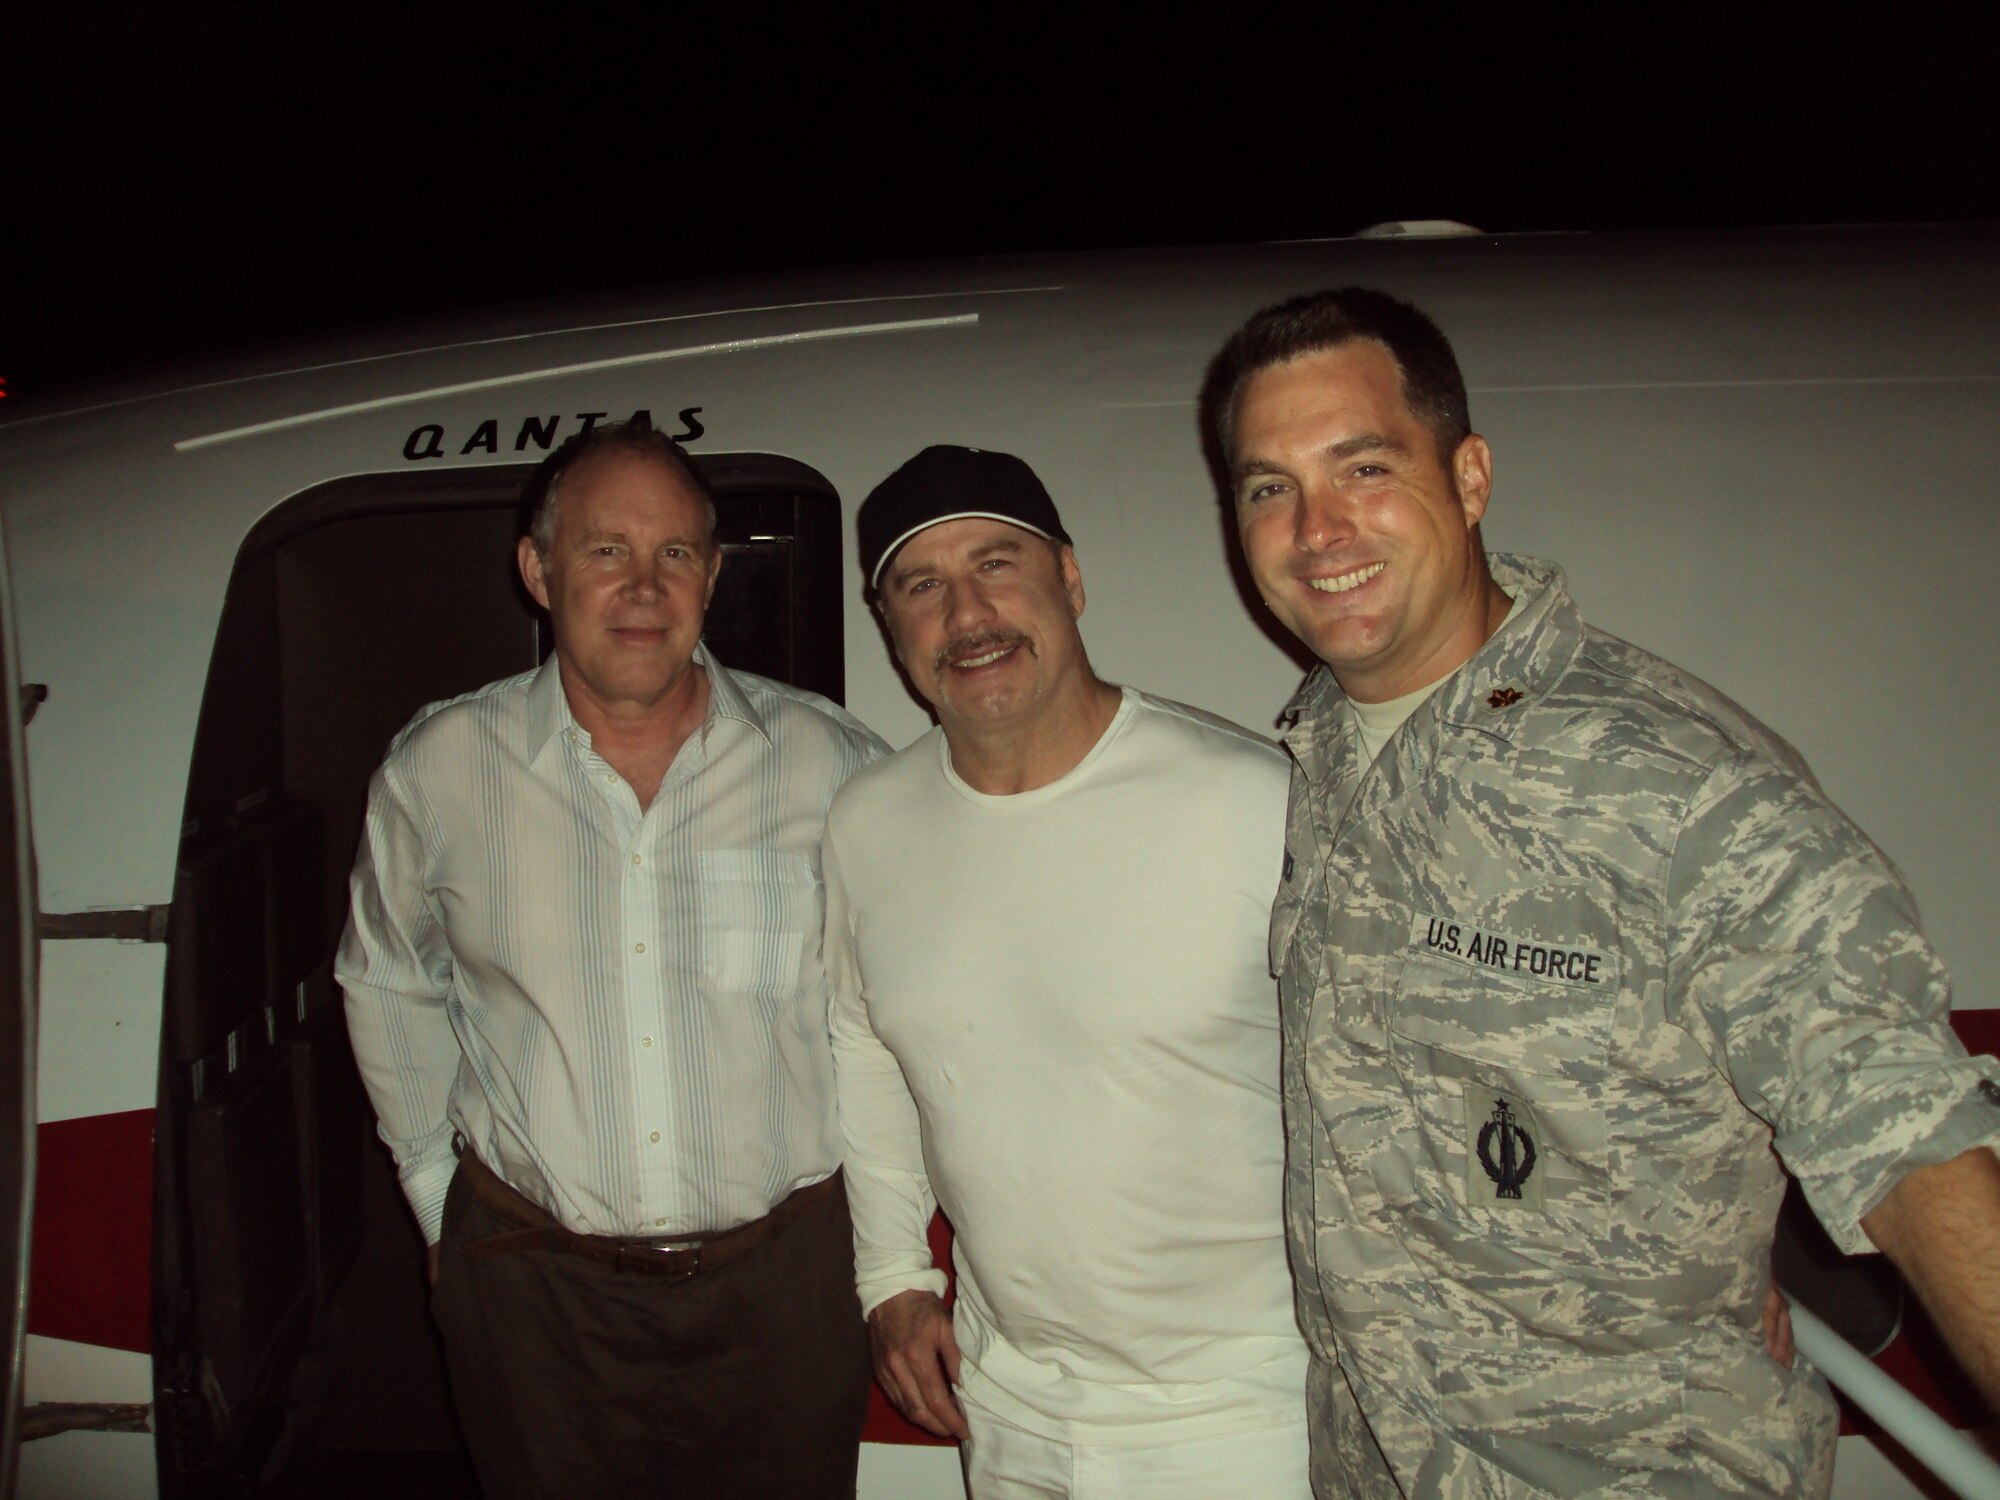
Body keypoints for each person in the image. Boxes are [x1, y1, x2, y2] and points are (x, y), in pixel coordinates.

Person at [1206, 286, 2000, 1498]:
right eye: (1269, 486)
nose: (1317, 529)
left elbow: (1909, 1143)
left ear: (1468, 477)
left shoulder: (1676, 784)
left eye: (1363, 466)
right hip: (1375, 1466)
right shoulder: (1325, 746)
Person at [336, 417, 885, 1500]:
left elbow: (894, 1006)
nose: (644, 585)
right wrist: (434, 1191)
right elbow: (389, 978)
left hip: (784, 1288)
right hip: (533, 1295)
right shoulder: (441, 767)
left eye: (675, 552)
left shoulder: (830, 763)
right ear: (537, 571)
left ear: (713, 575)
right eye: (605, 550)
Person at [826, 445, 1311, 1498]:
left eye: (997, 564)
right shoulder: (865, 826)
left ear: (1070, 579)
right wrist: (893, 1277)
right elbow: (862, 1047)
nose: (967, 615)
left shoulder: (1250, 803)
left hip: (1249, 1411)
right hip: (1009, 1409)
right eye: (921, 584)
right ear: (889, 625)